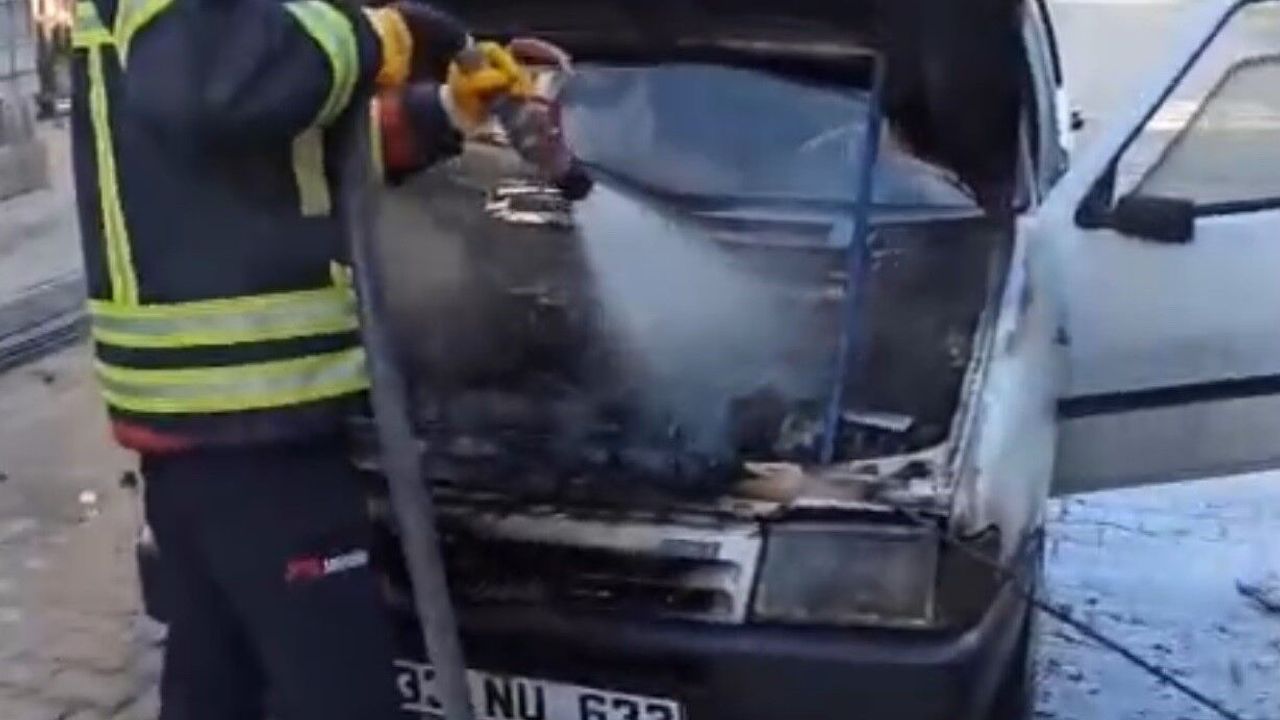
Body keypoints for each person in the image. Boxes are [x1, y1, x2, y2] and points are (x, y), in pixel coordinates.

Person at [68, 0, 526, 717]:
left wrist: (442, 113)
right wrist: (376, 34)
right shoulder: (204, 46)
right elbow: (215, 88)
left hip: (213, 427)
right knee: (340, 696)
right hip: (251, 416)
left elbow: (283, 151)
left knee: (219, 690)